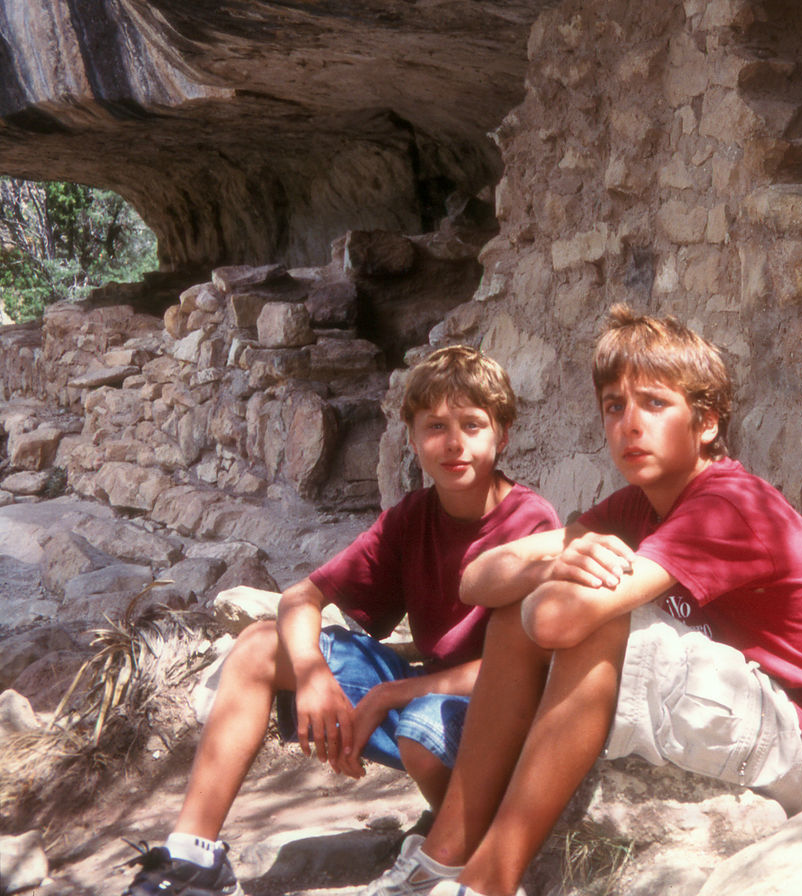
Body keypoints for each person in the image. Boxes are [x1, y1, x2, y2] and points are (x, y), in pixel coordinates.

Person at [363, 305, 802, 896]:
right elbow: (475, 579)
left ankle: (489, 882)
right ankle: (446, 856)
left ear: (705, 422)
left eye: (655, 404)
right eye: (614, 407)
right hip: (745, 705)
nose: (630, 424)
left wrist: (551, 584)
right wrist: (552, 561)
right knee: (523, 607)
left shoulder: (726, 504)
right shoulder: (638, 504)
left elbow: (557, 619)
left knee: (592, 618)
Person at [122, 345, 560, 896]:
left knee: (424, 727)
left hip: (498, 714)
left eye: (472, 425)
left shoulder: (529, 520)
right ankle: (194, 856)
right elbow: (301, 597)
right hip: (422, 698)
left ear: (503, 435)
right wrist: (310, 673)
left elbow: (520, 667)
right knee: (260, 646)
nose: (454, 443)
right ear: (412, 438)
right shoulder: (411, 518)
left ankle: (468, 840)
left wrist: (387, 696)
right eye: (435, 426)